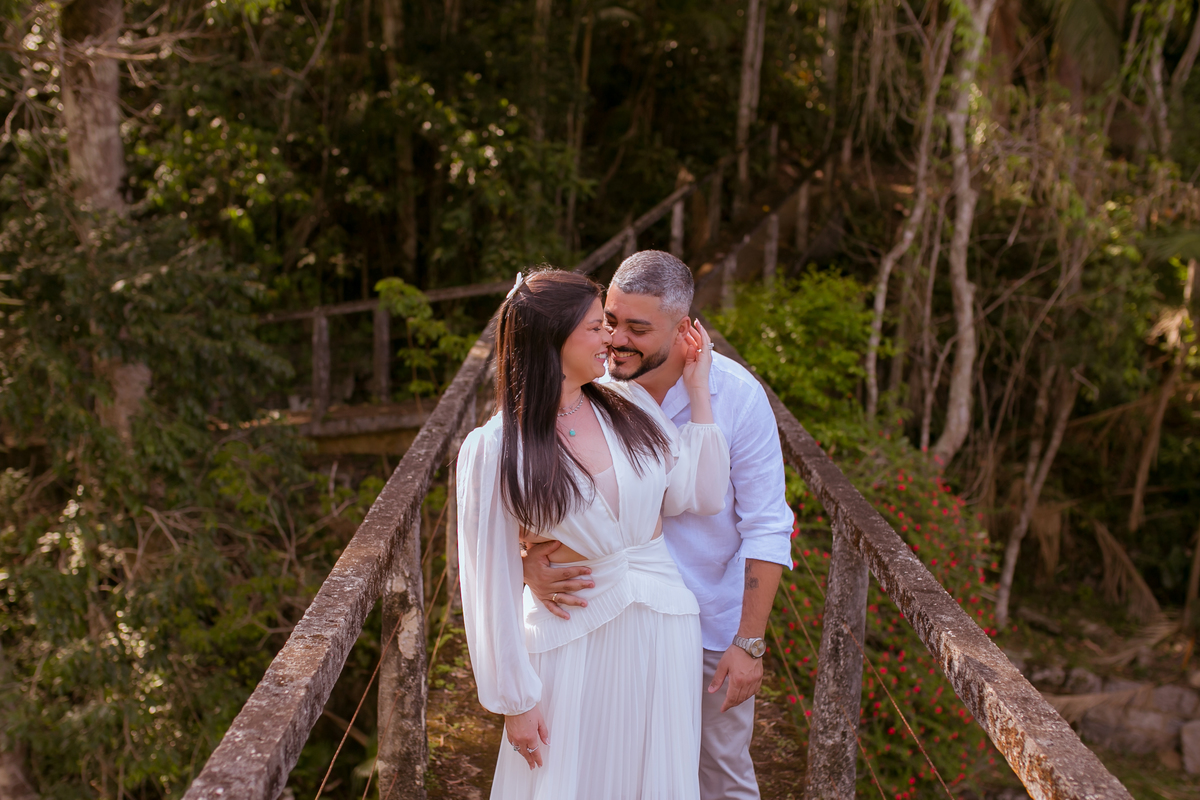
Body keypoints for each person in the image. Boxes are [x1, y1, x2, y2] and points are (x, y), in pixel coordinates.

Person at [524, 251, 793, 800]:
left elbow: (767, 525)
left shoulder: (738, 397)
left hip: (709, 628)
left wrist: (750, 641)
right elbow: (520, 472)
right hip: (610, 617)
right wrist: (527, 558)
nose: (615, 340)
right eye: (609, 321)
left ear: (685, 328)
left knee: (721, 773)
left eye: (637, 329)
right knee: (617, 770)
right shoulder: (591, 384)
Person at [456, 268, 731, 798]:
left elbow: (697, 494)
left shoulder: (628, 406)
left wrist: (698, 391)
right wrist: (515, 701)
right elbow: (485, 579)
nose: (609, 337)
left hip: (662, 626)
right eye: (594, 326)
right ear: (551, 341)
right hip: (571, 637)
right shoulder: (497, 447)